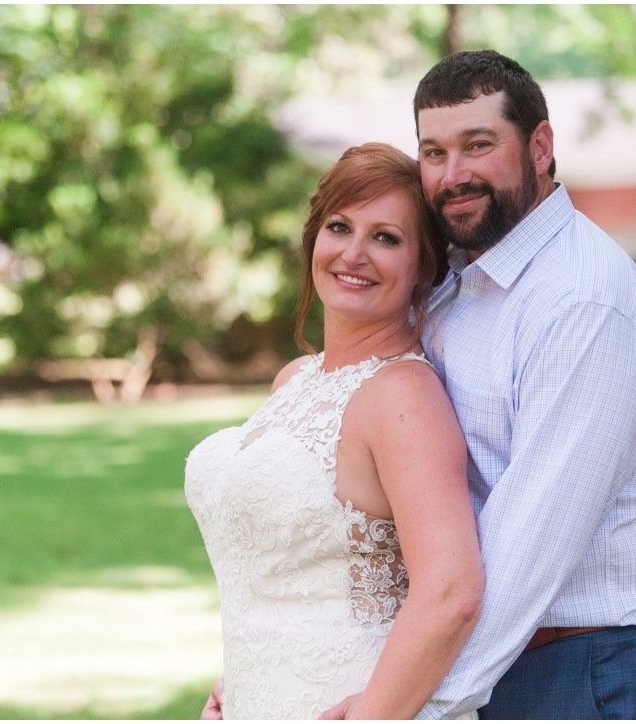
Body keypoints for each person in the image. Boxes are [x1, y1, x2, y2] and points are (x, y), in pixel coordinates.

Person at [324, 49, 636, 720]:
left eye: (478, 146)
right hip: (487, 655)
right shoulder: (461, 285)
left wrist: (415, 703)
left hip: (590, 671)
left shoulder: (582, 302)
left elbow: (530, 544)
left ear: (541, 147)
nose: (453, 174)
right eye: (434, 153)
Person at [185, 142, 484, 720]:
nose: (354, 253)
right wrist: (244, 680)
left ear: (424, 267)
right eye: (340, 226)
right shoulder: (294, 380)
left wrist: (376, 713)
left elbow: (451, 591)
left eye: (386, 237)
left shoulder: (403, 395)